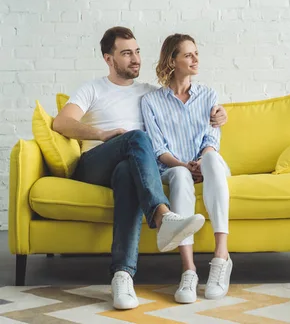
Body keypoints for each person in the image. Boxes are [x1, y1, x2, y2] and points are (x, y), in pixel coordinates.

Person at [53, 27, 228, 311]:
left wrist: (219, 113)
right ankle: (161, 215)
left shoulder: (149, 94)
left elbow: (185, 110)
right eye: (126, 53)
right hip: (94, 164)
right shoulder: (93, 88)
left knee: (126, 173)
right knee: (136, 137)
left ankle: (122, 276)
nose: (135, 59)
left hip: (127, 167)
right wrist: (102, 134)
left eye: (136, 52)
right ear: (109, 59)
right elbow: (61, 123)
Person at [141, 33, 232, 305]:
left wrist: (202, 159)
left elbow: (211, 138)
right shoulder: (151, 101)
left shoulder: (208, 95)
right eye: (188, 55)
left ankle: (221, 257)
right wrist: (184, 165)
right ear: (172, 60)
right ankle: (189, 270)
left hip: (207, 163)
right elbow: (158, 149)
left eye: (196, 53)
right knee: (180, 175)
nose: (196, 59)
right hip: (172, 167)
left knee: (213, 159)